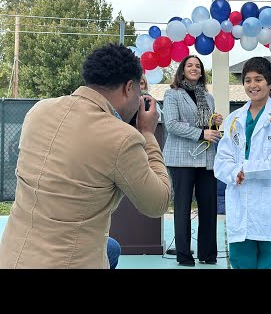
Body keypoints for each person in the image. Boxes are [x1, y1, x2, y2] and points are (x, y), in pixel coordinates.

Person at [0, 43, 171, 269]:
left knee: (111, 248)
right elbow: (157, 203)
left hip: (12, 255)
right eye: (139, 92)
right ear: (129, 87)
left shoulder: (39, 111)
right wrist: (148, 134)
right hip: (67, 262)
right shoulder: (122, 137)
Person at [214, 57, 271, 269]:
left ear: (270, 82)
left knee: (267, 261)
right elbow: (221, 159)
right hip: (240, 198)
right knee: (240, 260)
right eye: (248, 80)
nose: (253, 85)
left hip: (270, 202)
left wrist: (249, 169)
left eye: (259, 79)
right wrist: (234, 171)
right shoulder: (234, 119)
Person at [163, 54, 223, 267]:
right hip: (181, 159)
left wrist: (214, 123)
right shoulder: (172, 95)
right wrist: (201, 133)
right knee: (182, 207)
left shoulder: (209, 97)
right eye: (190, 65)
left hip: (206, 159)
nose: (194, 68)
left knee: (209, 207)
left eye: (198, 66)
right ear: (182, 70)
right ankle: (184, 256)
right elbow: (171, 124)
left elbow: (209, 130)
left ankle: (208, 254)